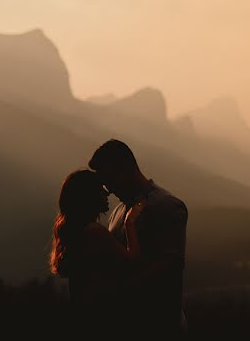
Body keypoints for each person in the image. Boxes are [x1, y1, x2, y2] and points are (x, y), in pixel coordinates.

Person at [89, 138, 189, 335]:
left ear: (124, 170)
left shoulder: (168, 207)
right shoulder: (117, 213)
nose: (108, 190)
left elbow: (171, 266)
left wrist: (115, 290)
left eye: (109, 180)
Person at [49, 169, 146, 310]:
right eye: (100, 189)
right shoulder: (93, 231)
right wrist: (129, 222)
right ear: (89, 195)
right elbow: (133, 260)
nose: (107, 193)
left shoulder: (77, 231)